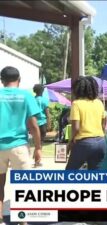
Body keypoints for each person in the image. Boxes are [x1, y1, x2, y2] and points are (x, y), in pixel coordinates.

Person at [0, 66, 41, 225]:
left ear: (2, 80)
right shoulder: (26, 95)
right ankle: (22, 220)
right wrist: (38, 148)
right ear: (19, 80)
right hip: (19, 146)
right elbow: (33, 125)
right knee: (23, 185)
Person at [66, 76, 106, 170]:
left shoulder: (76, 104)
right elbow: (103, 124)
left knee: (69, 173)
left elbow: (76, 128)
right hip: (101, 142)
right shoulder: (99, 103)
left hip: (84, 143)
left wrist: (70, 142)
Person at [33, 84, 50, 167]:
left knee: (36, 142)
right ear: (42, 91)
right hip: (42, 123)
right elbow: (47, 113)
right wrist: (49, 124)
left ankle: (36, 157)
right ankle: (37, 161)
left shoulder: (32, 100)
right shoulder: (44, 100)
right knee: (40, 143)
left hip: (34, 123)